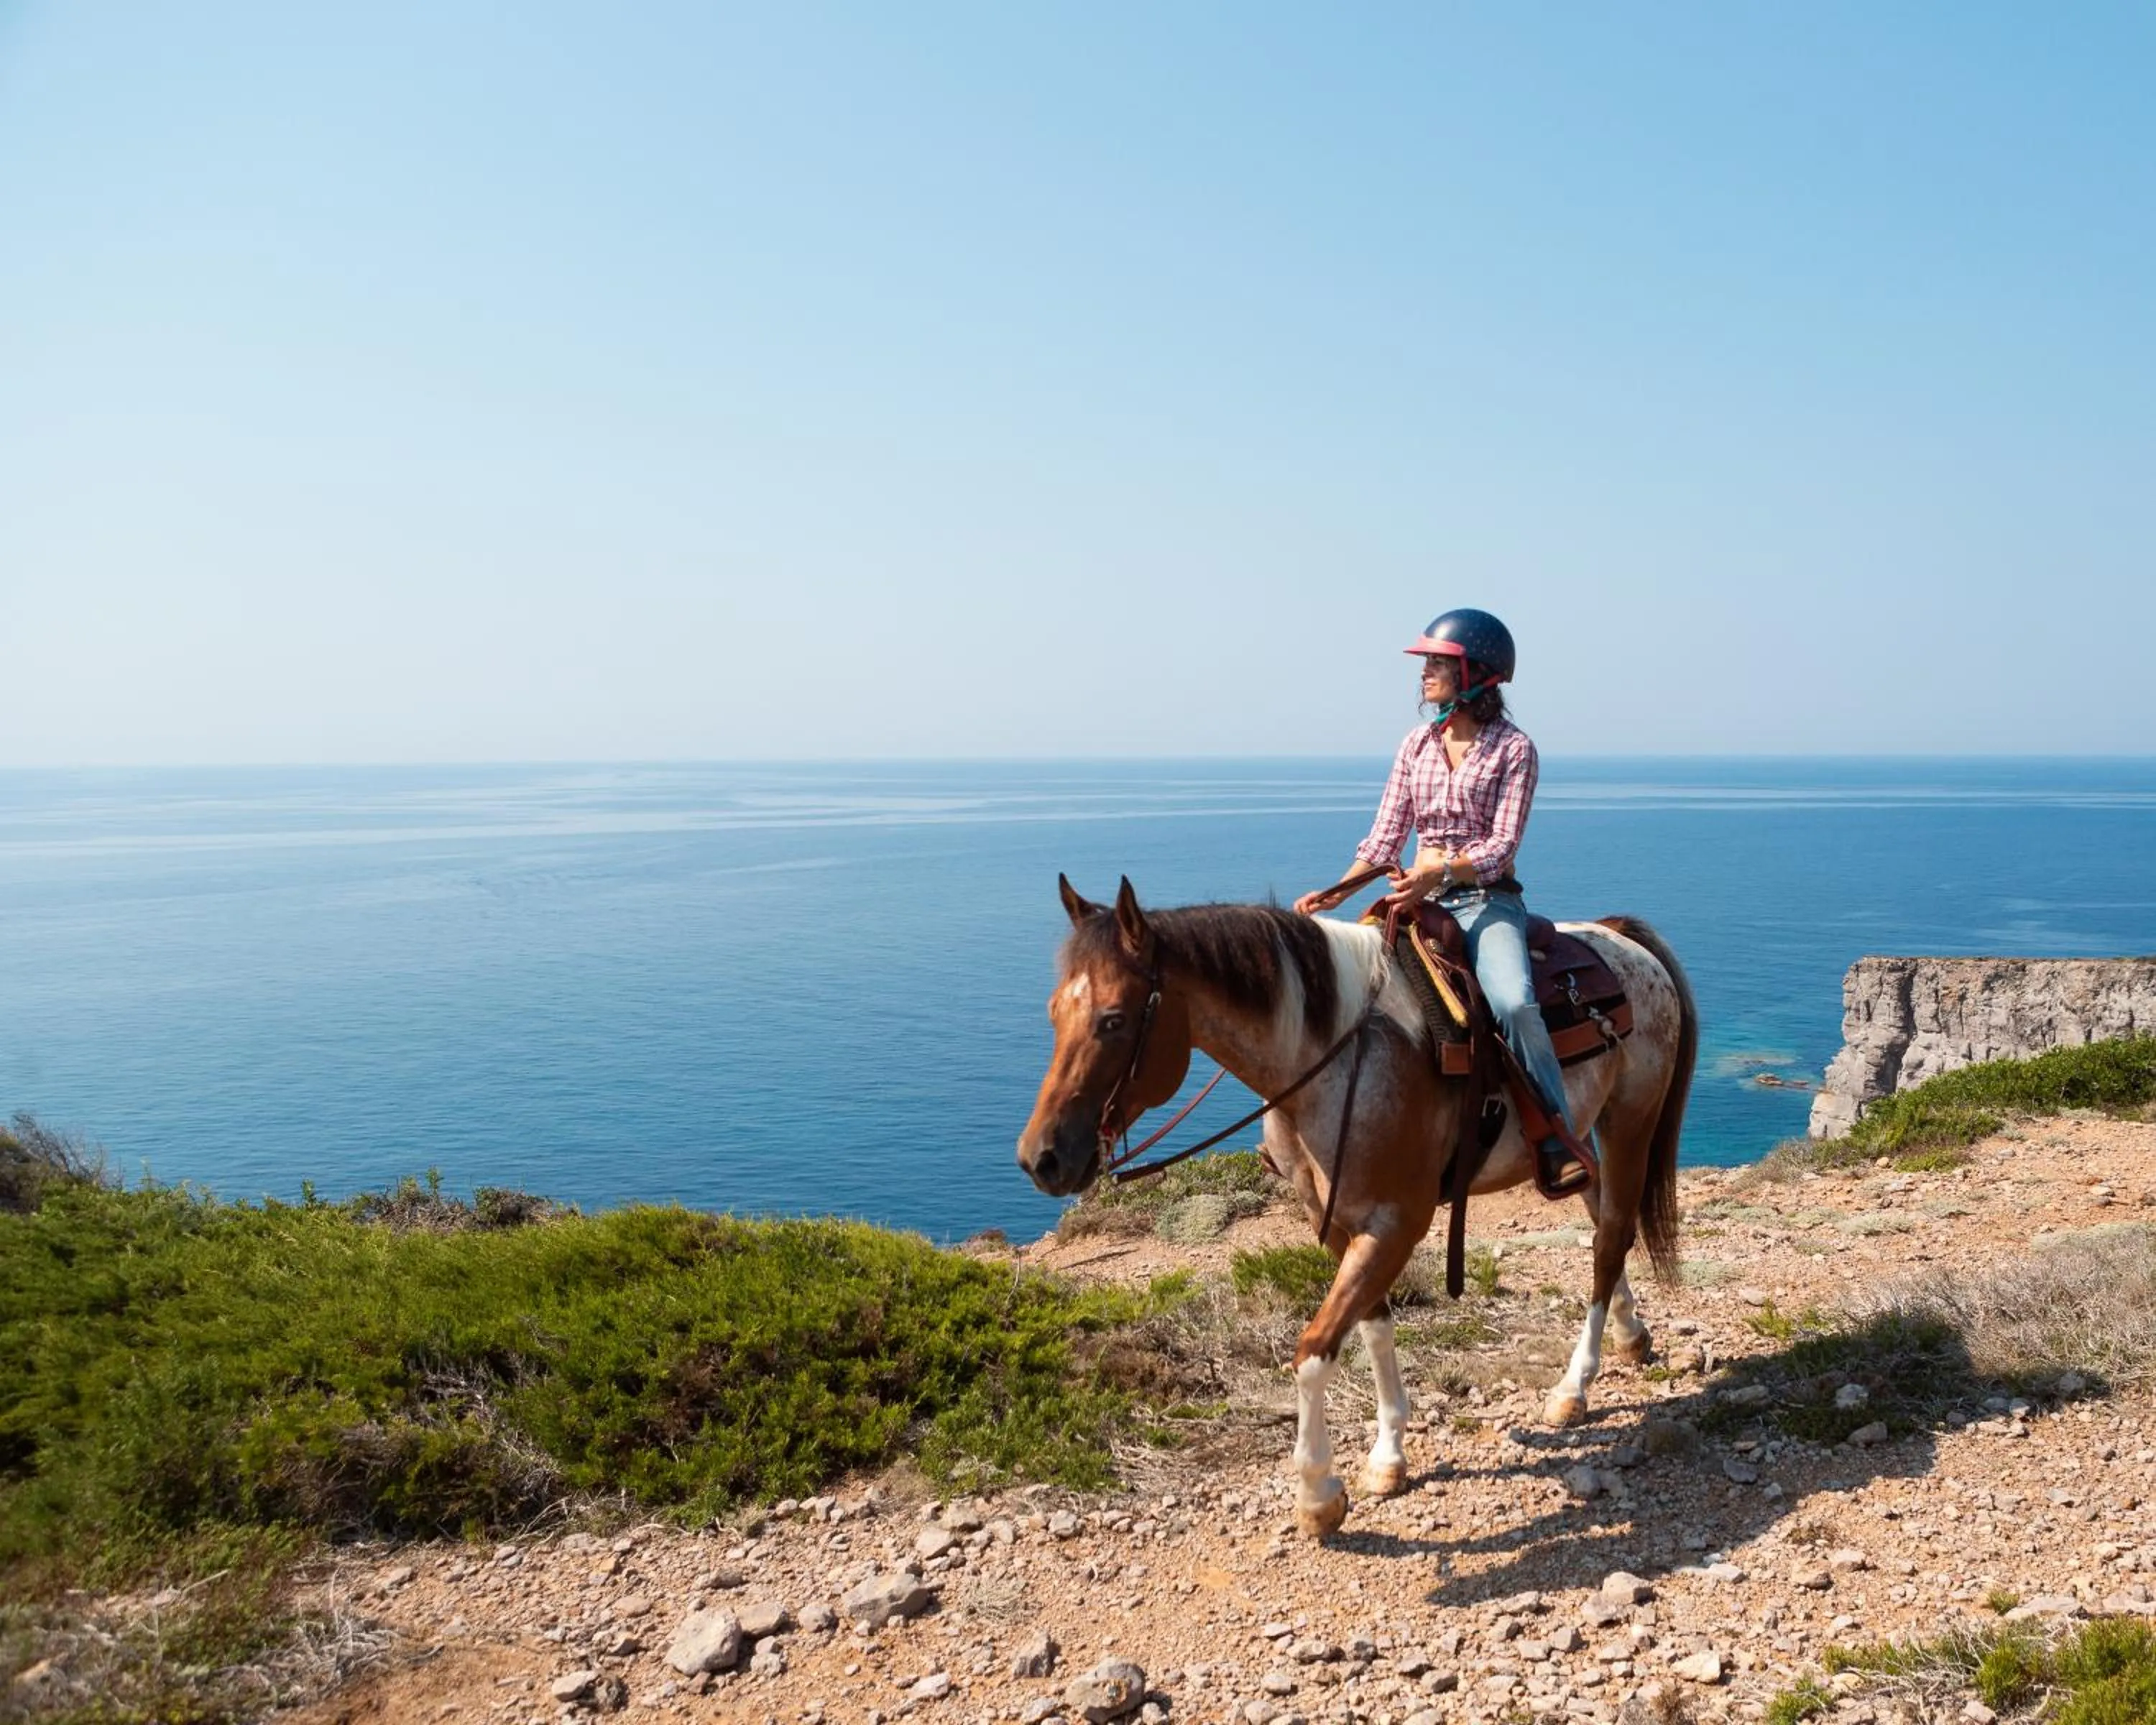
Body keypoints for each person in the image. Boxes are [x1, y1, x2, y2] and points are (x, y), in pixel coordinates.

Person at [1293, 607, 1590, 1196]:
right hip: (1413, 900)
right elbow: (1385, 836)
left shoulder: (1515, 750)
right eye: (1427, 662)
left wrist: (1440, 871)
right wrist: (1338, 890)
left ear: (1477, 672)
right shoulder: (1416, 745)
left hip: (1485, 901)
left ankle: (1557, 1136)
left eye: (1438, 663)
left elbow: (1502, 845)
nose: (1424, 673)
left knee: (1512, 1001)